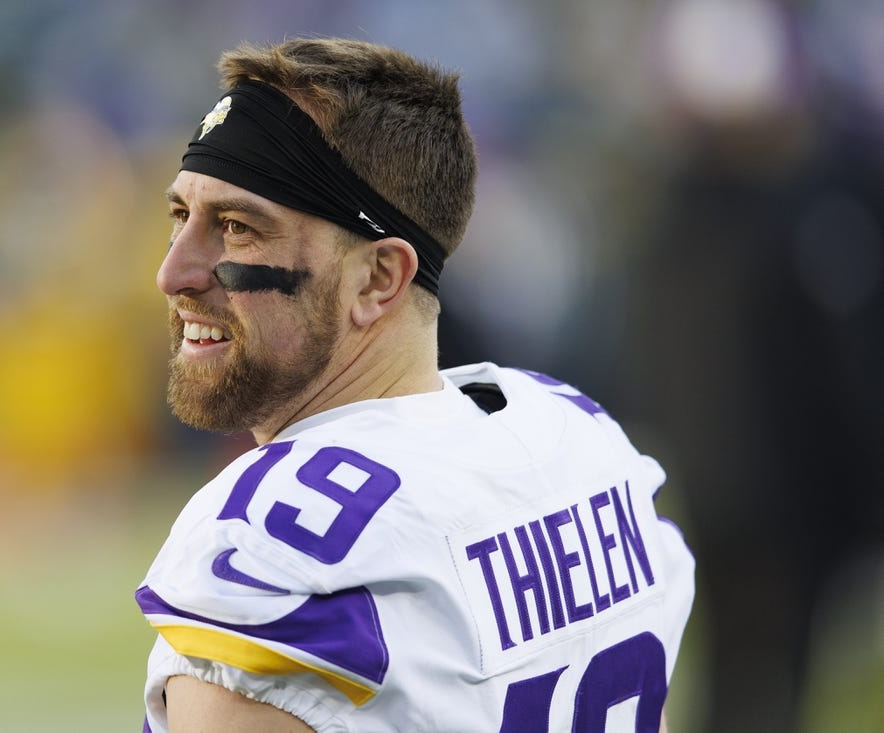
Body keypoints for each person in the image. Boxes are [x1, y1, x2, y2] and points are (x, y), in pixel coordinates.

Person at [135, 37, 694, 732]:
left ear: (378, 278)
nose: (175, 272)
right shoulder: (576, 439)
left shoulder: (273, 544)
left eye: (239, 228)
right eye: (181, 217)